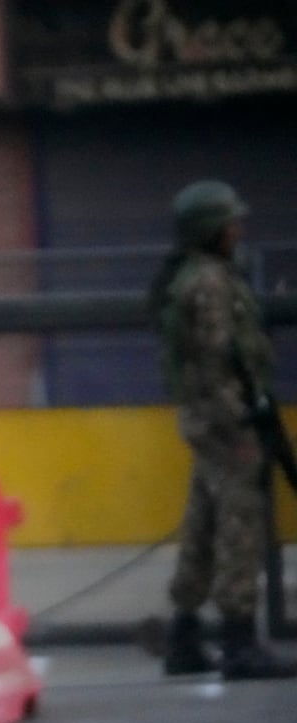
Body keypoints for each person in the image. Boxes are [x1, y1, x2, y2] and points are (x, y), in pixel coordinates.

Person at [149, 178, 296, 681]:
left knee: (204, 524)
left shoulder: (193, 275)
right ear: (211, 228)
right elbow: (214, 359)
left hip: (205, 419)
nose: (239, 229)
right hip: (225, 421)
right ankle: (239, 640)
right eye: (231, 221)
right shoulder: (209, 282)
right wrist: (245, 420)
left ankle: (185, 634)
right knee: (241, 522)